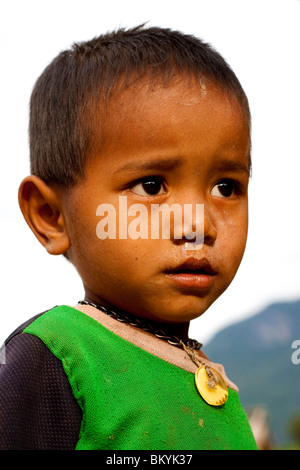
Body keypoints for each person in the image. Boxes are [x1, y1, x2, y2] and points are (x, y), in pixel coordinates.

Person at [0, 25, 257, 450]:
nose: (199, 226)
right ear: (51, 215)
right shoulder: (56, 357)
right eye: (152, 186)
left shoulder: (212, 377)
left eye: (225, 188)